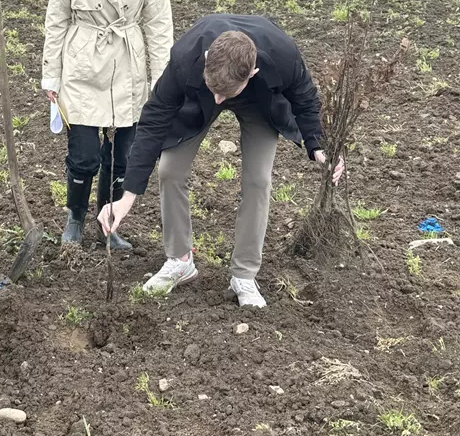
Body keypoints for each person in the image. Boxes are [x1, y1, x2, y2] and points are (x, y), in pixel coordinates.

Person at [98, 15, 344, 307]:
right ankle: (180, 261)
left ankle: (244, 275)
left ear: (252, 71)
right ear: (204, 60)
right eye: (214, 89)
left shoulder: (282, 53)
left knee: (258, 180)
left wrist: (319, 145)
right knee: (170, 169)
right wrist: (127, 196)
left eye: (224, 94)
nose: (219, 100)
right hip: (196, 101)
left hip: (258, 103)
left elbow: (305, 99)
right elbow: (153, 122)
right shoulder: (186, 56)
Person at [42, 0, 173, 250]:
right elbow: (57, 18)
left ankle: (109, 224)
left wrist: (161, 79)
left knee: (123, 156)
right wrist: (51, 74)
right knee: (83, 155)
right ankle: (75, 218)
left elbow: (159, 23)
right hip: (83, 63)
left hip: (127, 64)